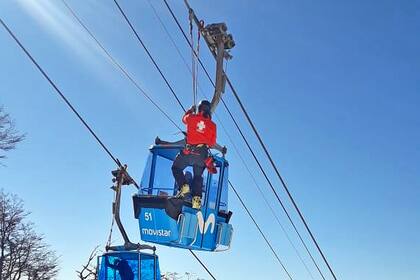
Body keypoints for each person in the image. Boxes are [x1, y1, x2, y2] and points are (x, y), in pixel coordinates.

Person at [170, 100, 223, 209]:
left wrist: (190, 110)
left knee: (176, 168)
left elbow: (184, 119)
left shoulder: (192, 117)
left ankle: (184, 187)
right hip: (202, 154)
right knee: (198, 176)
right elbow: (212, 143)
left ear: (199, 108)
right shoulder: (213, 125)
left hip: (190, 151)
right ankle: (196, 200)